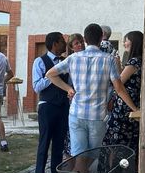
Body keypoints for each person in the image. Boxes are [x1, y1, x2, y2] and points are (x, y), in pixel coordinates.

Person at [47, 23, 139, 157]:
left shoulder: (73, 58)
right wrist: (135, 109)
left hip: (76, 113)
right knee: (92, 156)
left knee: (79, 155)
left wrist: (68, 88)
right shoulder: (109, 59)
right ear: (101, 37)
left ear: (84, 39)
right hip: (97, 115)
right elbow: (119, 88)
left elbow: (50, 74)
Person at [32, 32, 68, 173]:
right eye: (62, 42)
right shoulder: (39, 61)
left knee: (59, 145)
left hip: (63, 107)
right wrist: (52, 75)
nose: (65, 44)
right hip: (47, 107)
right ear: (55, 44)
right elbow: (36, 86)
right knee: (44, 143)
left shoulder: (66, 61)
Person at [103, 30, 143, 157]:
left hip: (125, 105)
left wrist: (134, 109)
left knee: (116, 141)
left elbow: (119, 83)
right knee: (126, 140)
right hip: (131, 101)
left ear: (133, 42)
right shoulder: (139, 60)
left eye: (126, 40)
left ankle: (114, 172)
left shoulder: (133, 62)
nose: (124, 43)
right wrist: (118, 65)